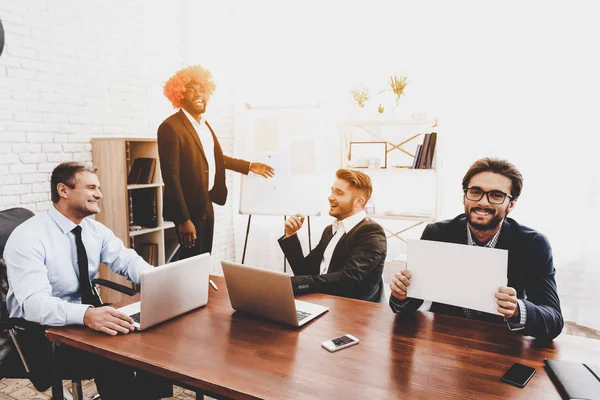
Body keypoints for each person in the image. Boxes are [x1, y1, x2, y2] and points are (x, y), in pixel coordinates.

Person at [4, 162, 172, 399]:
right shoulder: (29, 237)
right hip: (41, 332)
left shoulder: (94, 230)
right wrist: (85, 315)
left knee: (154, 336)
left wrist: (160, 280)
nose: (99, 194)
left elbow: (127, 260)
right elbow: (33, 305)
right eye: (91, 187)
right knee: (114, 356)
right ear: (63, 190)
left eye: (99, 188)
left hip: (87, 317)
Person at [389, 157, 564, 341]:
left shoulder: (533, 244)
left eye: (496, 195)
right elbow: (407, 305)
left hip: (501, 346)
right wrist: (401, 294)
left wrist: (517, 310)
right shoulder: (438, 233)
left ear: (511, 204)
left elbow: (553, 320)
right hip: (444, 342)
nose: (483, 202)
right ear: (464, 196)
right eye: (475, 192)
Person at [158, 65, 274, 259]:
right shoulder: (170, 127)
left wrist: (248, 166)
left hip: (206, 201)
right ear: (179, 95)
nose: (199, 95)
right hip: (188, 208)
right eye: (191, 90)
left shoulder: (203, 125)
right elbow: (171, 176)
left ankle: (201, 289)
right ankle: (192, 290)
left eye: (201, 90)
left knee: (204, 259)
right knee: (190, 263)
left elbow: (214, 158)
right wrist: (183, 219)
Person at [279, 169, 387, 302]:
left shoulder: (371, 232)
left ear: (358, 202)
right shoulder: (330, 230)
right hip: (322, 303)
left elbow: (348, 279)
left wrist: (291, 283)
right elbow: (304, 272)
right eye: (332, 191)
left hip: (352, 313)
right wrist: (291, 235)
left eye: (339, 193)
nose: (330, 197)